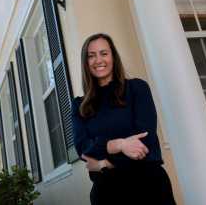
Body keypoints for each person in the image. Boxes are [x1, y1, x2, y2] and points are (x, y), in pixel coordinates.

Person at [72, 33, 177, 205]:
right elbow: (83, 148)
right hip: (107, 194)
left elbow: (145, 142)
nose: (98, 60)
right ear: (86, 62)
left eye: (104, 53)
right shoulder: (79, 105)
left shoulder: (137, 89)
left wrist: (101, 164)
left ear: (113, 56)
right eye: (91, 56)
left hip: (149, 187)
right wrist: (120, 144)